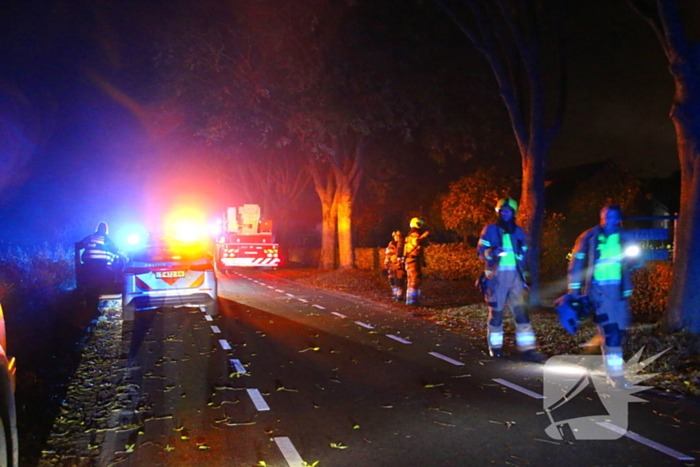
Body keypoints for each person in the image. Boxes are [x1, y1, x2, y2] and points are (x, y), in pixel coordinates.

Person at [567, 204, 642, 388]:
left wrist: (633, 261)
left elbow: (638, 261)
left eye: (611, 217)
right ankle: (616, 377)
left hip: (619, 293)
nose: (606, 220)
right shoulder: (589, 236)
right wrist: (574, 293)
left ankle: (603, 357)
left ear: (618, 219)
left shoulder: (625, 237)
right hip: (598, 291)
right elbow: (576, 264)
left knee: (619, 332)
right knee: (611, 333)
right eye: (604, 216)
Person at [477, 198, 543, 361]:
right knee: (496, 314)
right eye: (502, 211)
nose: (505, 213)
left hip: (516, 277)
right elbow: (480, 252)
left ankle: (527, 349)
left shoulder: (518, 231)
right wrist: (491, 251)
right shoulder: (490, 229)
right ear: (498, 212)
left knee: (521, 313)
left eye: (508, 211)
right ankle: (495, 348)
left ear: (514, 213)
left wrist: (525, 277)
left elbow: (524, 255)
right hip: (496, 278)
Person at [78, 222, 121, 291]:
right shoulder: (105, 239)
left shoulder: (89, 237)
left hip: (87, 265)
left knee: (88, 287)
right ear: (106, 230)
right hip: (100, 266)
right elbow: (114, 250)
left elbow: (79, 245)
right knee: (102, 283)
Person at [403, 217, 429, 306]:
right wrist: (424, 236)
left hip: (410, 260)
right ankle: (413, 301)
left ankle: (410, 300)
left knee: (411, 281)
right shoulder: (414, 234)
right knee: (415, 280)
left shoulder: (409, 234)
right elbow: (417, 242)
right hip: (413, 260)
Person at [384, 230, 406, 301]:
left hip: (400, 265)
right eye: (395, 236)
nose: (396, 237)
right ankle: (395, 294)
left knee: (399, 280)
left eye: (398, 236)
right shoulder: (391, 244)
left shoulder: (404, 244)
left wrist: (402, 262)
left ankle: (399, 296)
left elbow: (405, 254)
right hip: (392, 264)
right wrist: (386, 262)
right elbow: (388, 254)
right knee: (392, 279)